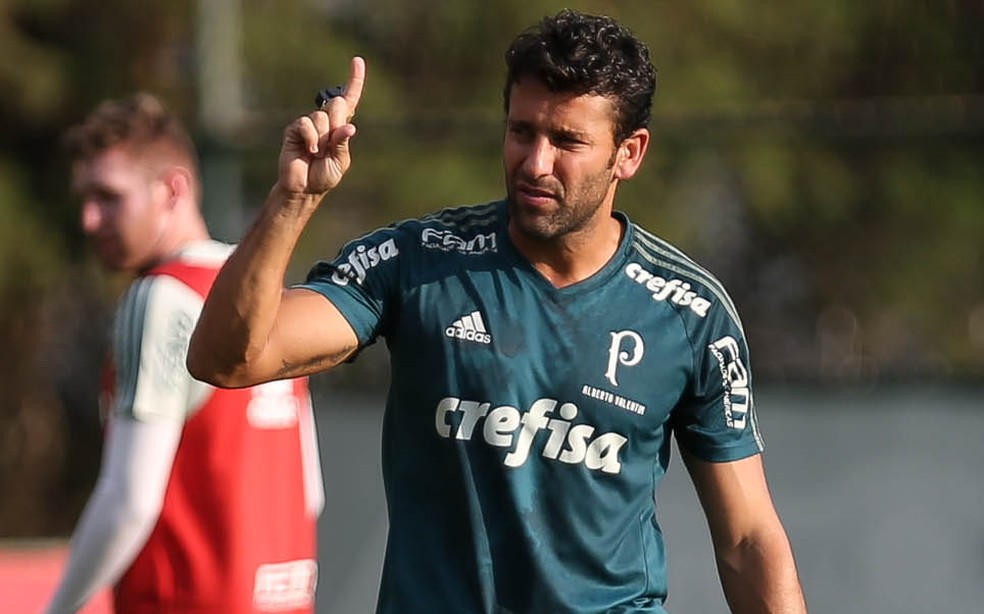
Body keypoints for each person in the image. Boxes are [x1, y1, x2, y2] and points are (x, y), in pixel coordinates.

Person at [188, 9, 808, 614]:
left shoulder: (691, 314)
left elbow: (747, 539)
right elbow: (228, 358)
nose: (536, 163)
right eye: (522, 132)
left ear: (629, 152)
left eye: (567, 141)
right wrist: (294, 199)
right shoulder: (418, 261)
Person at [43, 93, 324, 614]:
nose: (89, 219)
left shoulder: (161, 295)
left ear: (173, 189)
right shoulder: (265, 293)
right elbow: (310, 492)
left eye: (108, 196)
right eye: (84, 199)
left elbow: (130, 500)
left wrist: (57, 608)